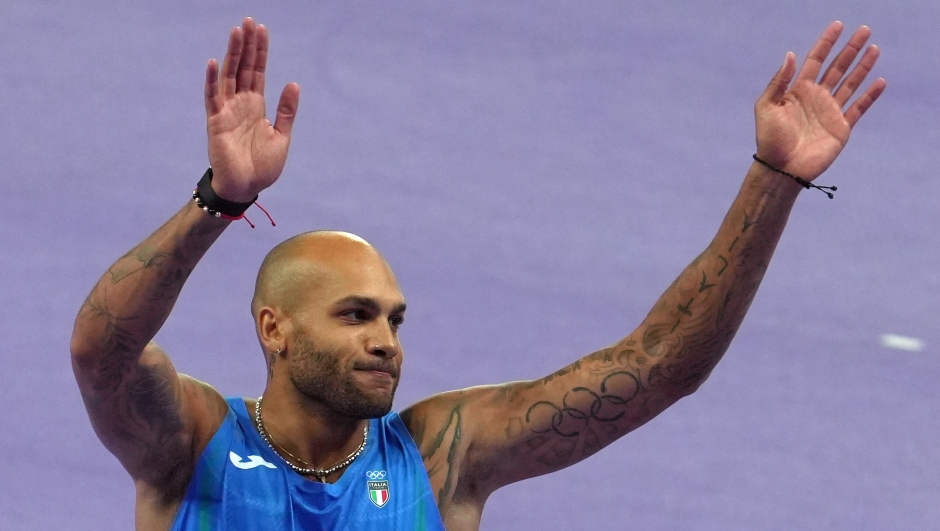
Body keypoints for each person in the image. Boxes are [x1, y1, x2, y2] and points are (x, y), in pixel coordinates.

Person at [70, 17, 885, 531]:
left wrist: (772, 181)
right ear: (273, 328)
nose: (386, 339)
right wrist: (220, 201)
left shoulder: (440, 458)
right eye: (355, 314)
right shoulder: (193, 444)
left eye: (393, 318)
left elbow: (657, 366)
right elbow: (101, 350)